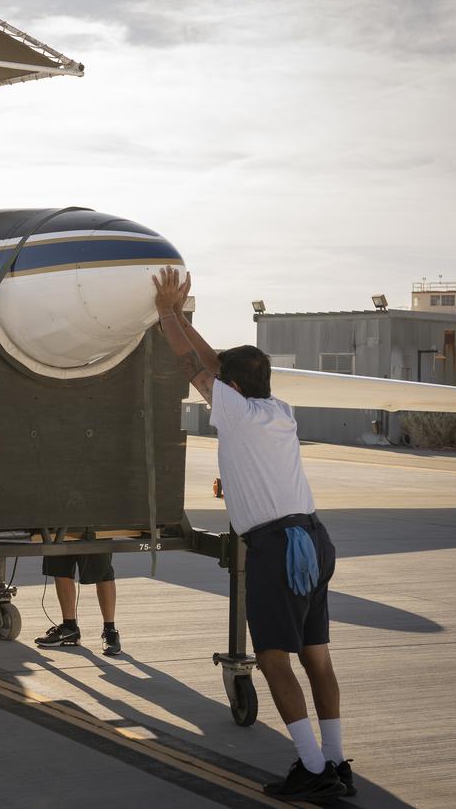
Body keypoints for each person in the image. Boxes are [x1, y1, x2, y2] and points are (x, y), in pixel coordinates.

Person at [152, 265, 352, 802]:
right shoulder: (278, 409)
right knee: (318, 657)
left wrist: (168, 311)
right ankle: (335, 761)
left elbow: (191, 362)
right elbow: (216, 363)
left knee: (271, 659)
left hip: (279, 548)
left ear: (231, 389)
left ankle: (312, 768)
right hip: (315, 538)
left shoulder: (234, 411)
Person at [34, 546, 122, 656]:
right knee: (60, 569)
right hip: (60, 531)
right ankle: (69, 629)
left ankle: (110, 631)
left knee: (102, 572)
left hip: (92, 531)